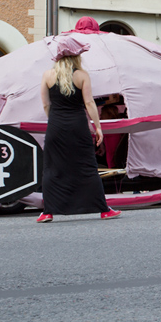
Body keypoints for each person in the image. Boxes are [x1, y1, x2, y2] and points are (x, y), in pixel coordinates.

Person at [37, 35, 122, 222]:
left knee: (52, 168)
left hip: (56, 127)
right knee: (86, 167)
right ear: (75, 56)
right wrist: (97, 127)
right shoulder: (82, 75)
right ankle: (103, 209)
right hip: (78, 126)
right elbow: (89, 103)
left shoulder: (47, 75)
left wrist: (55, 120)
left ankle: (47, 211)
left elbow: (45, 104)